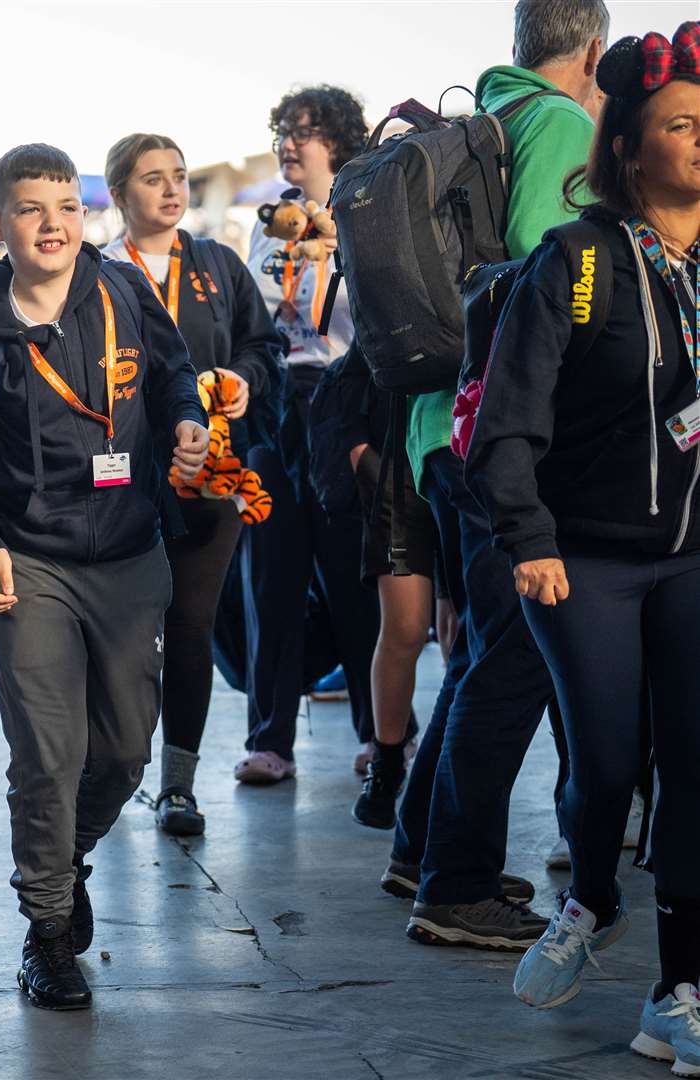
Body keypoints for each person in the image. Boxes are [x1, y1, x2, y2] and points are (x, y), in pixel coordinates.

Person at [0, 144, 208, 1010]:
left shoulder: (122, 293)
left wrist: (185, 422)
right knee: (49, 755)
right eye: (31, 209)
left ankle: (61, 859)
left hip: (129, 553)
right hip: (26, 563)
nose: (53, 225)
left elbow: (173, 375)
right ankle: (45, 932)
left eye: (67, 207)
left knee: (121, 751)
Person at [467, 27, 699, 1066]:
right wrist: (528, 535)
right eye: (682, 126)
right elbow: (506, 421)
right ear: (630, 149)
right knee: (608, 766)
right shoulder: (577, 260)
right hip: (585, 561)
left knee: (695, 770)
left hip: (696, 559)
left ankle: (679, 987)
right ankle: (593, 898)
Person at [393, 0, 607, 953]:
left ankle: (421, 847)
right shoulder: (558, 123)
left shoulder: (490, 118)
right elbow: (549, 273)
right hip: (499, 432)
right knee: (516, 657)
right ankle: (458, 884)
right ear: (593, 48)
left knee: (483, 652)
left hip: (440, 426)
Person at [99, 133, 282, 835]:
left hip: (211, 476)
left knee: (191, 627)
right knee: (119, 634)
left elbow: (261, 348)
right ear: (119, 194)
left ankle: (178, 785)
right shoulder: (97, 272)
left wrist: (242, 380)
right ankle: (109, 771)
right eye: (152, 179)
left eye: (178, 176)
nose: (172, 190)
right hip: (125, 481)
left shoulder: (217, 264)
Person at [236, 85, 379, 784]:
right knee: (272, 575)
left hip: (341, 398)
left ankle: (383, 730)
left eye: (304, 132)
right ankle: (271, 740)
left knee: (356, 575)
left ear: (339, 141)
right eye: (283, 132)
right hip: (274, 403)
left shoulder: (364, 213)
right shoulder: (265, 225)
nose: (289, 145)